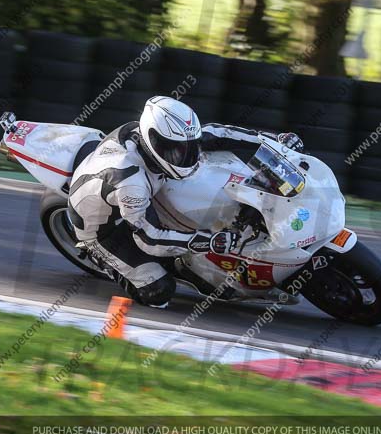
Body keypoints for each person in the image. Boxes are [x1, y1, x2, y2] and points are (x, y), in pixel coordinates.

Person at [68, 95, 302, 308]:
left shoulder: (167, 140)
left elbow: (217, 134)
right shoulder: (132, 183)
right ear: (153, 140)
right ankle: (98, 255)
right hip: (106, 228)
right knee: (159, 292)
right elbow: (149, 238)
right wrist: (208, 243)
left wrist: (272, 140)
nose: (186, 155)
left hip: (131, 197)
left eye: (188, 147)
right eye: (175, 150)